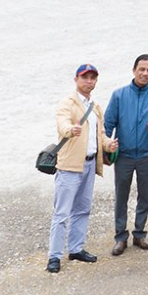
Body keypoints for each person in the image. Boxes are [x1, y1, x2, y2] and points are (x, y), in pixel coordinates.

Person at [101, 54, 148, 255]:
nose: (145, 73)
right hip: (124, 155)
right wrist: (106, 145)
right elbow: (107, 124)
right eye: (142, 69)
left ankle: (140, 233)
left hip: (147, 154)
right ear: (134, 70)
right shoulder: (119, 95)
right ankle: (120, 237)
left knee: (144, 195)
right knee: (121, 195)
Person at [48, 64, 113, 274]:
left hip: (90, 162)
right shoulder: (67, 103)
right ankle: (54, 256)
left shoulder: (95, 106)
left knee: (83, 209)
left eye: (93, 78)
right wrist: (70, 129)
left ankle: (76, 248)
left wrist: (108, 144)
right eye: (85, 77)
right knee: (62, 213)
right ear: (76, 79)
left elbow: (100, 134)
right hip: (69, 166)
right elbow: (62, 124)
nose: (89, 81)